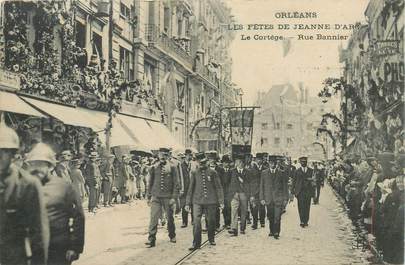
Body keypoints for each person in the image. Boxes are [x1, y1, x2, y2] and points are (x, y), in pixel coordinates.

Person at [24, 143, 85, 265]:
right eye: (33, 164)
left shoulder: (64, 187)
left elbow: (78, 217)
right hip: (32, 249)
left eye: (41, 164)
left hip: (58, 247)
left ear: (50, 166)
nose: (36, 168)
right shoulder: (24, 187)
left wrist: (75, 247)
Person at [0, 124, 49, 265]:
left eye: (3, 151)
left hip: (15, 258)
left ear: (12, 154)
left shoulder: (28, 184)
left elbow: (39, 233)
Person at [186, 152, 224, 250]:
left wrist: (221, 201)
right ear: (197, 163)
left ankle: (211, 238)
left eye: (203, 162)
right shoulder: (194, 172)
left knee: (211, 221)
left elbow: (218, 188)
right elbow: (190, 189)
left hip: (211, 201)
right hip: (197, 201)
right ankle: (196, 243)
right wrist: (187, 203)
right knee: (196, 222)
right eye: (200, 163)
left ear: (206, 162)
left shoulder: (213, 172)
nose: (202, 165)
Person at [145, 147, 179, 248]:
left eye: (165, 155)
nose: (163, 157)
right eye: (161, 155)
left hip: (168, 197)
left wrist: (174, 197)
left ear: (168, 156)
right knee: (154, 218)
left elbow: (176, 183)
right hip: (156, 197)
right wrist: (148, 196)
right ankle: (151, 239)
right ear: (158, 156)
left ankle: (172, 235)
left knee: (170, 218)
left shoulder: (173, 167)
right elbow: (150, 183)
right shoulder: (153, 167)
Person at [260, 155, 288, 239]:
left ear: (276, 163)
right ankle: (271, 230)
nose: (272, 164)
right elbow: (262, 186)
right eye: (271, 163)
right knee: (270, 216)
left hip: (278, 198)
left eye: (274, 163)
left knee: (277, 217)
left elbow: (284, 186)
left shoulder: (281, 173)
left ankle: (276, 232)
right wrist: (262, 198)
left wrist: (285, 198)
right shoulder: (264, 173)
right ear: (268, 163)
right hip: (268, 199)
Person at [228, 154, 250, 236]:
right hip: (234, 194)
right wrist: (230, 193)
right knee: (234, 211)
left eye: (240, 162)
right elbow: (228, 183)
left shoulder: (247, 172)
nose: (238, 163)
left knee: (244, 211)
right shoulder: (232, 171)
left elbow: (249, 184)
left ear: (242, 163)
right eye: (237, 161)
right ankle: (234, 228)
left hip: (244, 194)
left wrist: (249, 194)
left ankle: (242, 228)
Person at [292, 156, 315, 227]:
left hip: (308, 191)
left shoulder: (311, 171)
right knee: (301, 206)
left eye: (305, 162)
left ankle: (306, 221)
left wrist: (313, 193)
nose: (303, 163)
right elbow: (294, 181)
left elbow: (314, 182)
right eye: (302, 162)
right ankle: (302, 220)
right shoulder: (297, 171)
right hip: (300, 192)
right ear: (300, 162)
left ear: (306, 162)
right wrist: (293, 191)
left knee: (307, 207)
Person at [218, 155, 232, 229]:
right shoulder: (219, 171)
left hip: (229, 192)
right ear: (222, 163)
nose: (227, 164)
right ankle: (225, 222)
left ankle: (228, 223)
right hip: (222, 192)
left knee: (229, 207)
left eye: (228, 163)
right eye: (225, 163)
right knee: (224, 208)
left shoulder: (231, 171)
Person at [180, 149, 192, 228]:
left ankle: (193, 220)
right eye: (188, 155)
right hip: (185, 187)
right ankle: (184, 222)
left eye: (190, 155)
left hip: (192, 187)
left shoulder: (193, 164)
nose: (189, 156)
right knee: (184, 204)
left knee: (193, 204)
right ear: (185, 156)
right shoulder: (181, 165)